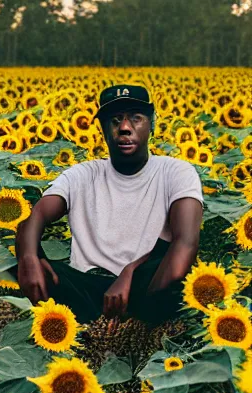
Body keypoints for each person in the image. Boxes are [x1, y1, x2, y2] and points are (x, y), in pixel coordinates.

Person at [14, 84, 204, 327]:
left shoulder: (176, 172)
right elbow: (36, 217)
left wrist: (131, 272)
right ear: (102, 128)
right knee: (32, 263)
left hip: (148, 284)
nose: (124, 128)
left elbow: (185, 242)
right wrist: (28, 258)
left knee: (178, 271)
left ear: (151, 123)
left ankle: (136, 327)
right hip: (85, 286)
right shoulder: (81, 175)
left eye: (136, 118)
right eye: (115, 120)